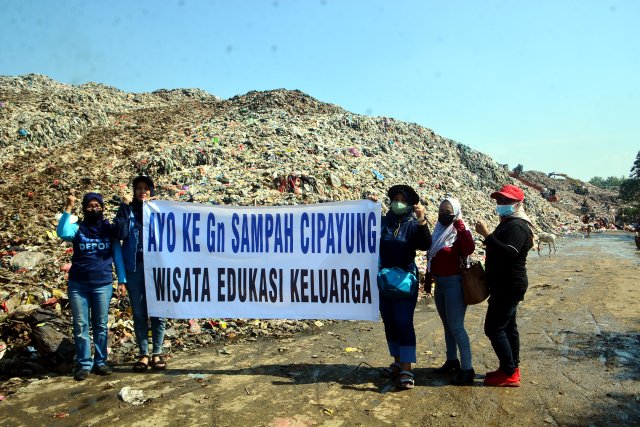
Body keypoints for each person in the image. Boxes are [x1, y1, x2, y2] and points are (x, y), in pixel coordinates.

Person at [57, 192, 125, 381]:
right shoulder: (77, 229)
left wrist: (122, 280)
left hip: (102, 284)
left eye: (97, 205)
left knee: (101, 325)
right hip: (78, 284)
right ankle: (84, 363)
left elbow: (117, 255)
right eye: (90, 205)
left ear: (102, 208)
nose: (94, 209)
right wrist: (68, 207)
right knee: (80, 325)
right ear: (84, 208)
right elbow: (61, 232)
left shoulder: (109, 230)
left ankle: (101, 361)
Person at [475, 184, 533, 387]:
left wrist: (487, 235)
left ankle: (509, 372)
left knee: (493, 328)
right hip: (505, 284)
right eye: (499, 200)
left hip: (509, 285)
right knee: (508, 328)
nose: (501, 203)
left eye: (507, 200)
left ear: (518, 204)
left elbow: (510, 253)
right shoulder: (509, 222)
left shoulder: (517, 225)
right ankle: (511, 368)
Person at [378, 185, 432, 389]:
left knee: (403, 321)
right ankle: (398, 361)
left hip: (405, 280)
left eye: (403, 200)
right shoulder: (384, 222)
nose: (398, 203)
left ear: (410, 204)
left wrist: (422, 220)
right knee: (389, 321)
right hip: (384, 279)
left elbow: (425, 244)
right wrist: (368, 206)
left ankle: (407, 368)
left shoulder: (412, 224)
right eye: (395, 199)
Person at [114, 175, 168, 371]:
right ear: (133, 191)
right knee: (139, 312)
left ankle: (157, 353)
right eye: (138, 188)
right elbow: (119, 233)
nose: (142, 191)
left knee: (159, 312)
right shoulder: (128, 212)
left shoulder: (159, 210)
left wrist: (161, 207)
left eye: (146, 188)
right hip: (135, 268)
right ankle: (144, 354)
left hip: (157, 267)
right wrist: (124, 206)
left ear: (151, 191)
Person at [427, 198, 476, 385]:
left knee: (456, 326)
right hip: (440, 284)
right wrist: (429, 278)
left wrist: (460, 226)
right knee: (447, 325)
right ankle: (452, 360)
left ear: (456, 212)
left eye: (448, 211)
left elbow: (469, 249)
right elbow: (431, 255)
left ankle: (467, 369)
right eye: (441, 211)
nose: (443, 214)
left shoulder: (459, 231)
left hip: (455, 284)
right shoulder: (439, 230)